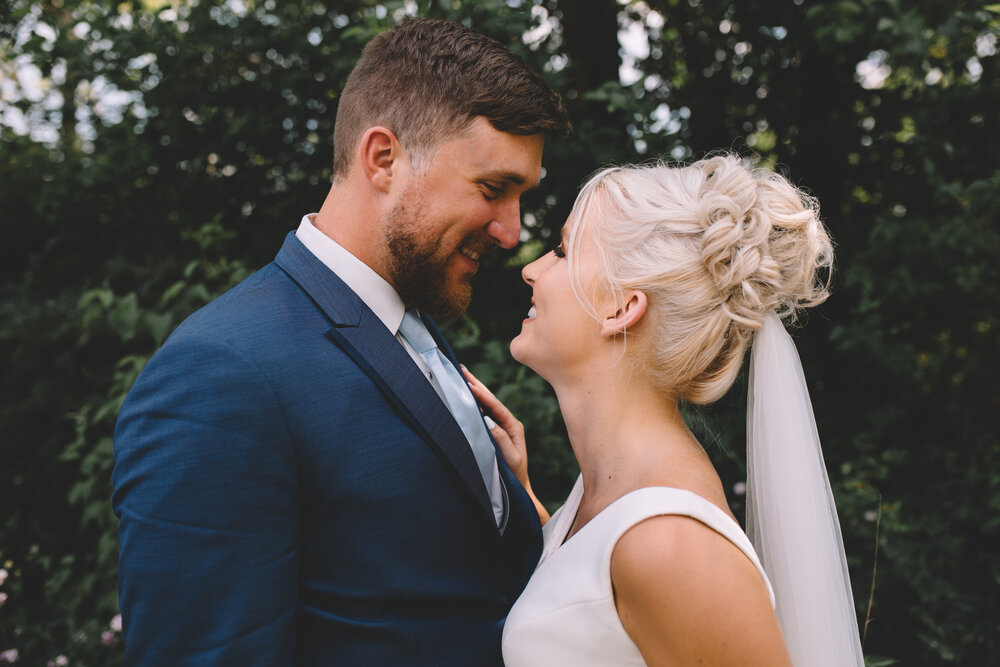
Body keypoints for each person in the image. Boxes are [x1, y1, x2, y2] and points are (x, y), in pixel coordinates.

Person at [112, 17, 570, 665]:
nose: (509, 230)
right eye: (494, 189)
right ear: (383, 159)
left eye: (522, 196)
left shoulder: (417, 325)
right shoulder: (221, 375)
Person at [466, 155, 866, 665]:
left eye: (563, 251)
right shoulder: (605, 495)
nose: (532, 268)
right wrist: (526, 502)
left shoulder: (672, 543)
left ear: (622, 308)